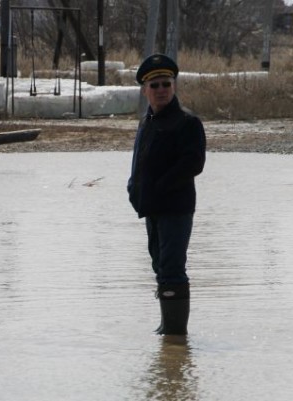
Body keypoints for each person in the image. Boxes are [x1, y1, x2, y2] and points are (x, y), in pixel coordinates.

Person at [127, 54, 206, 336]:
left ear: (173, 87)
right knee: (160, 265)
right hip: (152, 208)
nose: (161, 90)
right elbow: (139, 161)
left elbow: (194, 163)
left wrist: (160, 187)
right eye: (155, 85)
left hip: (176, 208)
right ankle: (167, 327)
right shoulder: (146, 121)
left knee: (172, 267)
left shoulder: (187, 122)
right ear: (145, 90)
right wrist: (133, 188)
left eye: (166, 84)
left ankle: (176, 336)